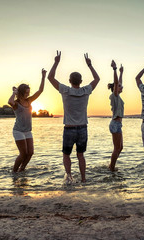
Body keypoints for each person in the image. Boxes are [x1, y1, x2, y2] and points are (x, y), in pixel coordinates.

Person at [47, 51, 100, 183]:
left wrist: (56, 62)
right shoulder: (86, 90)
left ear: (69, 81)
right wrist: (90, 65)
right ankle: (83, 179)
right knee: (80, 155)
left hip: (69, 129)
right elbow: (97, 79)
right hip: (83, 128)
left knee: (66, 154)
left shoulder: (65, 90)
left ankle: (69, 176)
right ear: (81, 81)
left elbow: (50, 77)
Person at [8, 68, 46, 172]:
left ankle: (22, 170)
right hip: (18, 131)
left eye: (28, 93)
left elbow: (40, 91)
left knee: (30, 153)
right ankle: (14, 171)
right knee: (23, 153)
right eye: (26, 93)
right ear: (20, 93)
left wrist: (43, 77)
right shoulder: (16, 104)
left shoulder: (29, 100)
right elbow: (9, 101)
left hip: (28, 131)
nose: (27, 95)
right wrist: (14, 92)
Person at [108, 60, 124, 171]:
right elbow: (116, 82)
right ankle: (111, 167)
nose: (121, 87)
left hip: (118, 124)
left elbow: (118, 82)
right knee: (116, 148)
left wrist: (121, 72)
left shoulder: (118, 97)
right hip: (115, 124)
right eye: (119, 86)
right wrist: (114, 69)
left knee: (120, 147)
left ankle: (111, 165)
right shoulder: (114, 95)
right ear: (115, 88)